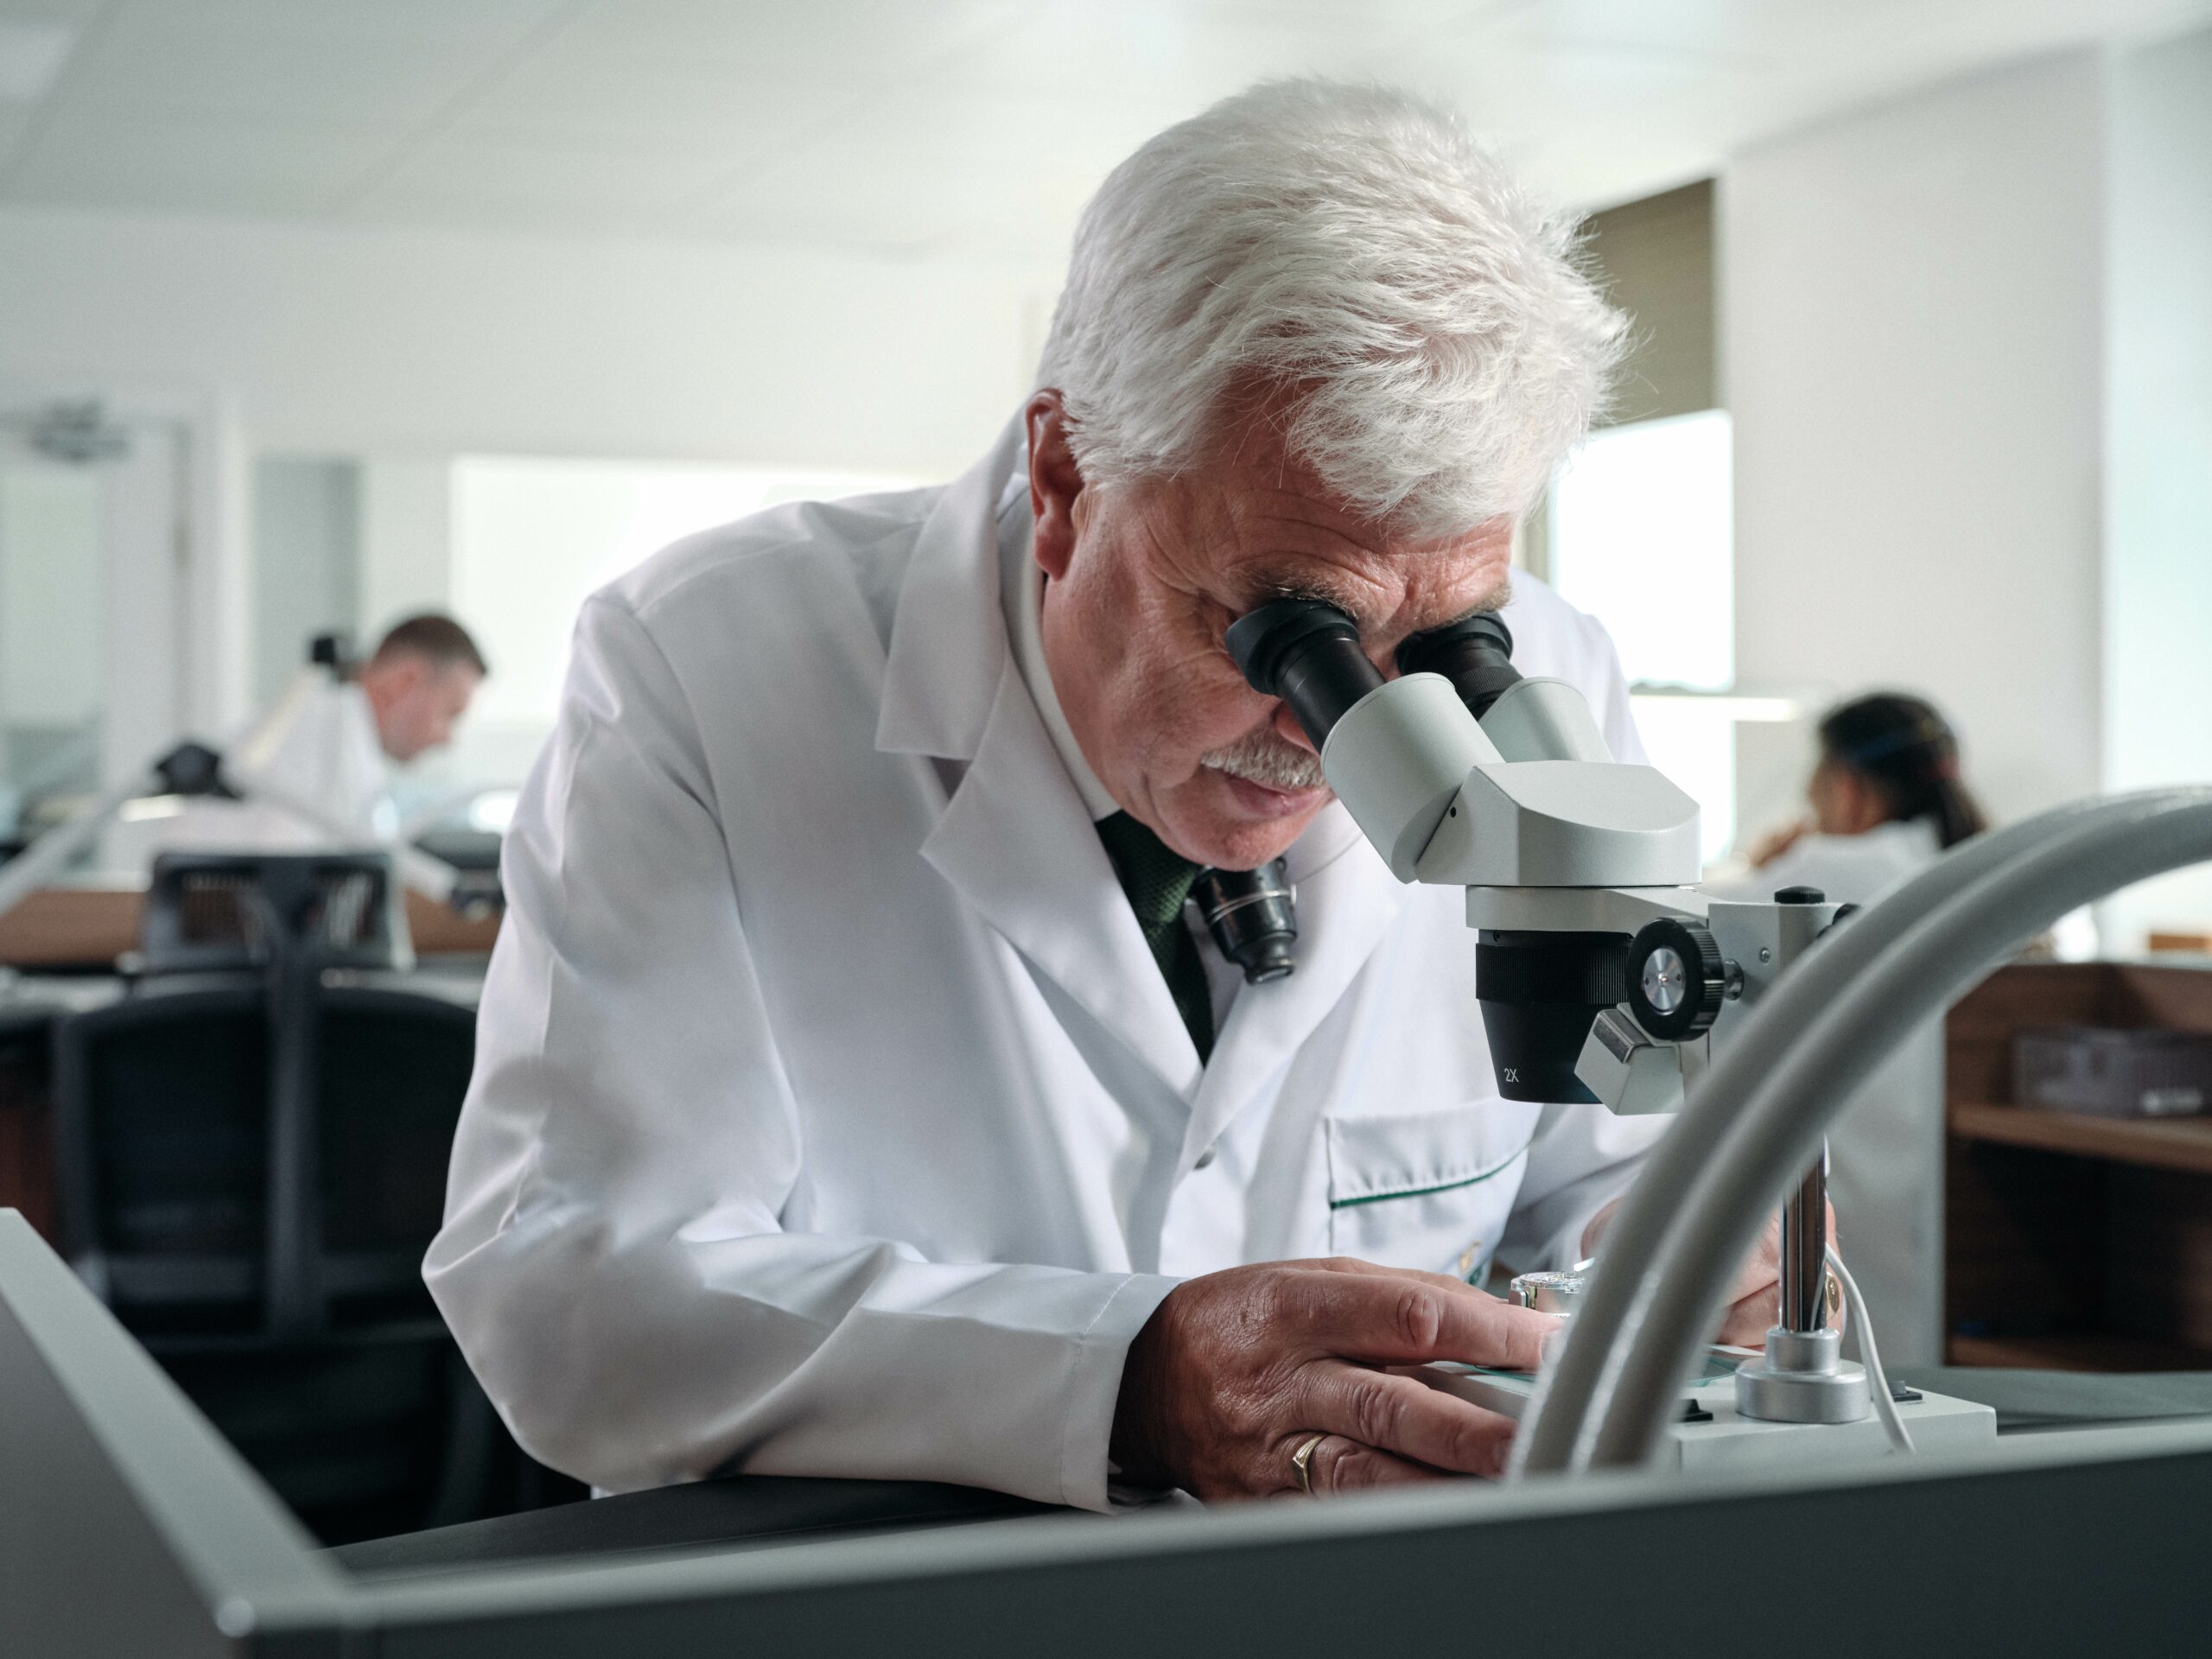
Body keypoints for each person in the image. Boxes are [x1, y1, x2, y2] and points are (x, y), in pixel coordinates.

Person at [428, 81, 1801, 1510]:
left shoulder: (1556, 680)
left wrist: (1687, 1263)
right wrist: (1127, 1380)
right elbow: (576, 1298)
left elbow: (1607, 1176)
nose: (1345, 743)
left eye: (1440, 646)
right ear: (1067, 472)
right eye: (1289, 633)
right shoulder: (711, 665)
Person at [1713, 691, 1988, 1366]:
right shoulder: (1969, 868)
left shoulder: (1823, 873)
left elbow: (1688, 946)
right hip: (1952, 1213)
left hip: (1845, 1201)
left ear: (1848, 790)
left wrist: (1761, 868)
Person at [162, 613, 487, 851]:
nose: (447, 740)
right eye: (450, 715)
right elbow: (290, 870)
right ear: (403, 682)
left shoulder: (336, 732)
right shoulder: (324, 745)